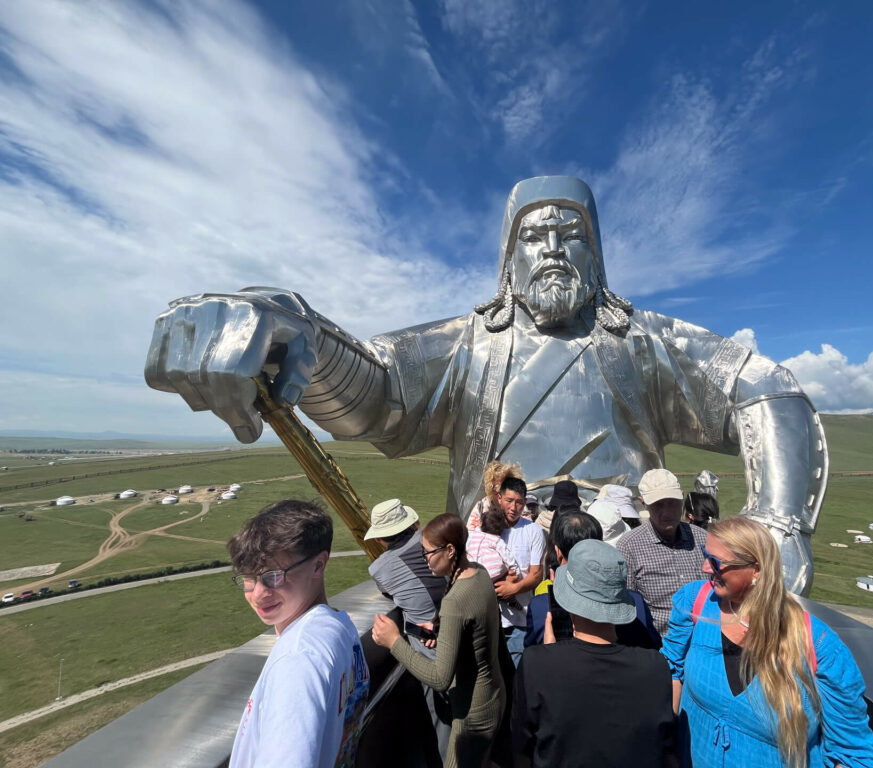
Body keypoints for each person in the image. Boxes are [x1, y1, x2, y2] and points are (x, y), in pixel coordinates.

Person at [145, 175, 828, 595]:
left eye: (572, 234)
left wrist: (777, 521)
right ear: (509, 259)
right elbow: (374, 395)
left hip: (627, 580)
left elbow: (766, 388)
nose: (555, 247)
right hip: (489, 578)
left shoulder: (643, 341)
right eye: (536, 235)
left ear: (598, 253)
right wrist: (297, 332)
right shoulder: (466, 345)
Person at [661, 517, 873, 768]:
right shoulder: (694, 602)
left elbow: (854, 754)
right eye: (705, 555)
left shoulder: (820, 646)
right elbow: (672, 671)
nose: (705, 568)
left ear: (756, 570)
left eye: (716, 562)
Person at [227, 500, 370, 768]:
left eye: (273, 576)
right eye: (248, 577)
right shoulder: (340, 627)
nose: (257, 594)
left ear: (318, 565)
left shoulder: (298, 659)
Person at [511, 540, 676, 767]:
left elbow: (522, 746)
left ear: (568, 602)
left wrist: (548, 657)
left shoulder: (536, 664)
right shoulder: (655, 666)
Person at [371, 513, 505, 768]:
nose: (424, 560)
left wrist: (394, 642)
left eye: (428, 553)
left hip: (472, 716)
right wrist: (443, 631)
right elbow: (477, 627)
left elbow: (440, 679)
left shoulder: (454, 602)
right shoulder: (479, 572)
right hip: (492, 696)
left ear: (450, 549)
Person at [525, 509, 660, 650]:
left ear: (558, 553)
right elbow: (651, 646)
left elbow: (531, 650)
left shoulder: (540, 606)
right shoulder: (634, 603)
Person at [617, 469, 707, 635]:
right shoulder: (630, 546)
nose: (667, 512)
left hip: (705, 640)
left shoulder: (702, 538)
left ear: (681, 497)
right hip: (659, 646)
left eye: (672, 502)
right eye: (658, 505)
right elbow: (628, 606)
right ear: (643, 503)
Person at [364, 498, 446, 649]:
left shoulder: (377, 569)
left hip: (429, 647)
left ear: (377, 538)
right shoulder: (435, 536)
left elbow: (389, 594)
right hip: (463, 630)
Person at [494, 476, 545, 665]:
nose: (514, 508)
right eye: (509, 501)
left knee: (516, 673)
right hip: (491, 621)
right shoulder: (486, 528)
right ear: (499, 498)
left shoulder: (533, 531)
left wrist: (513, 589)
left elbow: (536, 574)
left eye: (519, 503)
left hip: (519, 621)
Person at [467, 460, 523, 531]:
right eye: (497, 488)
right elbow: (471, 533)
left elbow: (526, 531)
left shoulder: (519, 506)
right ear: (490, 488)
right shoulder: (481, 507)